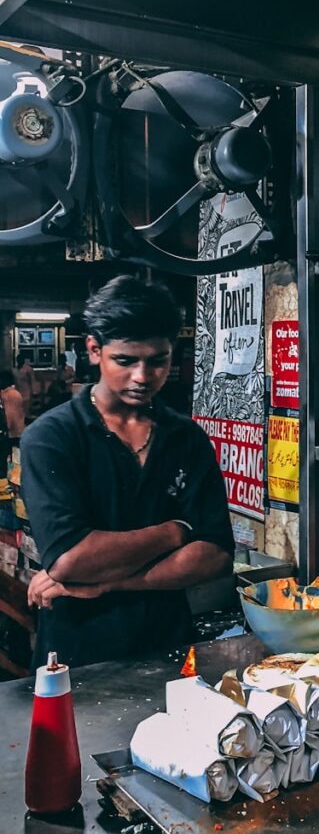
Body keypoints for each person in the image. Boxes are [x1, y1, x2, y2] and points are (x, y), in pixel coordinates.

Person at [21, 275, 234, 668]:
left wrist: (109, 583)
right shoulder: (51, 437)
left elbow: (216, 556)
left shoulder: (186, 437)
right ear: (94, 350)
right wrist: (176, 531)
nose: (142, 376)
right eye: (126, 360)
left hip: (169, 651)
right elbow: (70, 560)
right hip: (77, 655)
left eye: (158, 361)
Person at [0, 371, 25, 441]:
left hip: (12, 433)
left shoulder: (7, 395)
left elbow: (10, 414)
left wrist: (7, 428)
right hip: (19, 429)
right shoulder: (16, 393)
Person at [14, 353, 34, 421]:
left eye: (20, 359)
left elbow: (32, 380)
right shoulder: (14, 370)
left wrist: (33, 391)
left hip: (26, 392)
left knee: (26, 411)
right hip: (17, 392)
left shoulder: (28, 369)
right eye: (18, 360)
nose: (19, 361)